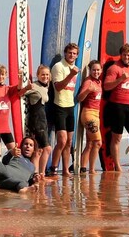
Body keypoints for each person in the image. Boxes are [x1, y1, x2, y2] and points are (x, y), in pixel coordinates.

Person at [102, 43, 129, 172]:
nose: (127, 57)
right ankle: (118, 167)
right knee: (117, 138)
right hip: (116, 106)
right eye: (125, 54)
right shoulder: (114, 68)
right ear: (121, 55)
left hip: (128, 106)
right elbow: (106, 86)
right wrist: (120, 79)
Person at [50, 43, 80, 176]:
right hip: (59, 106)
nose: (72, 55)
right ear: (65, 53)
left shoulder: (75, 68)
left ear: (77, 55)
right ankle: (54, 168)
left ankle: (66, 170)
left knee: (68, 141)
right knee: (61, 140)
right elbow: (58, 87)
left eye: (74, 53)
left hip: (70, 107)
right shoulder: (58, 67)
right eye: (70, 53)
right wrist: (70, 75)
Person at [0, 64, 23, 158]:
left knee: (14, 149)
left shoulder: (7, 89)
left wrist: (20, 79)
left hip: (5, 126)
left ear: (6, 76)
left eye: (3, 74)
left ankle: (10, 168)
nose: (1, 77)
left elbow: (18, 88)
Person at [22, 65, 53, 176]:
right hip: (36, 120)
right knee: (47, 148)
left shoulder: (45, 86)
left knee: (39, 150)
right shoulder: (34, 86)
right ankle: (41, 174)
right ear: (38, 75)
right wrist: (26, 87)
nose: (45, 76)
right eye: (42, 74)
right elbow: (20, 94)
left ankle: (36, 174)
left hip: (42, 120)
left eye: (47, 74)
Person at [76, 60, 102, 174]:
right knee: (98, 142)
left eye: (98, 70)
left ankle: (82, 167)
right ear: (90, 71)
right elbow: (80, 98)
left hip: (96, 114)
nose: (96, 72)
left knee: (91, 143)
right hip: (88, 113)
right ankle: (91, 169)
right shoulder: (88, 82)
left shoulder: (98, 82)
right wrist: (87, 90)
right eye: (94, 70)